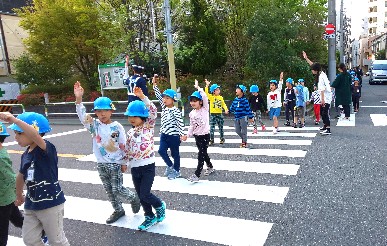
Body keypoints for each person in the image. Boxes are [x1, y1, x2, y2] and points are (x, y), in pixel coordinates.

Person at [74, 81, 141, 224]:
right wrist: (79, 99)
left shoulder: (117, 127)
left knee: (117, 189)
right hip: (101, 164)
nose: (102, 114)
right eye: (98, 111)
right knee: (109, 191)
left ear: (111, 111)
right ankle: (118, 210)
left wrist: (125, 162)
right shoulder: (94, 126)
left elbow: (124, 145)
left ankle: (133, 197)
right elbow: (82, 116)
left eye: (105, 110)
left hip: (115, 163)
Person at [0, 112, 70, 245]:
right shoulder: (26, 154)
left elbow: (34, 135)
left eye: (19, 133)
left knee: (57, 240)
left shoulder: (46, 149)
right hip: (31, 204)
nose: (16, 138)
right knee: (29, 239)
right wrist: (19, 194)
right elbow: (20, 176)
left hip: (51, 204)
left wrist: (14, 119)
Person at [124, 86, 166, 231]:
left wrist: (142, 96)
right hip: (135, 167)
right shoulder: (129, 132)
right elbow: (127, 149)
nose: (131, 119)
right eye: (129, 116)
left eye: (134, 116)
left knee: (145, 193)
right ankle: (149, 216)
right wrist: (125, 163)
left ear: (142, 117)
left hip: (148, 165)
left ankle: (159, 205)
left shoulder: (149, 125)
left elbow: (153, 110)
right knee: (141, 196)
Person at [182, 80, 214, 182]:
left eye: (195, 100)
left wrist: (198, 88)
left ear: (200, 102)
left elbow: (204, 96)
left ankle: (197, 175)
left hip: (205, 135)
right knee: (203, 153)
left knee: (201, 154)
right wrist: (187, 135)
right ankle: (210, 166)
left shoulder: (205, 109)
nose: (192, 103)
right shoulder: (191, 113)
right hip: (197, 136)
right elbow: (191, 126)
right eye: (191, 101)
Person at [153, 77, 184, 180]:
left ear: (173, 100)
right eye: (164, 98)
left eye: (167, 98)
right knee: (161, 151)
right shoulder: (164, 107)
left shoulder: (176, 110)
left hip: (174, 136)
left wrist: (182, 134)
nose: (164, 100)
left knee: (175, 154)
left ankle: (177, 171)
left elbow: (180, 122)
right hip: (164, 135)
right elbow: (158, 95)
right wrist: (155, 85)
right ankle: (170, 166)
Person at [0, 122, 24, 246]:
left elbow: (10, 178)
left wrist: (19, 193)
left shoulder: (1, 158)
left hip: (3, 199)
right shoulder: (1, 151)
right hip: (6, 196)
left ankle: (42, 233)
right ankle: (41, 233)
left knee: (2, 229)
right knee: (17, 219)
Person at [303, 51, 332, 135]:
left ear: (315, 70)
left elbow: (322, 89)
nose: (311, 71)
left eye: (312, 70)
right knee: (323, 112)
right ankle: (325, 126)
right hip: (324, 96)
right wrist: (306, 58)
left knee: (324, 113)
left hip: (325, 97)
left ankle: (328, 129)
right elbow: (313, 65)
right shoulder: (320, 72)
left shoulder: (321, 76)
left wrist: (322, 100)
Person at [204, 79, 229, 145]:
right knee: (212, 128)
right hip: (212, 114)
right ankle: (211, 140)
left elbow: (223, 104)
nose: (219, 90)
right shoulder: (211, 97)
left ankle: (222, 139)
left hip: (219, 114)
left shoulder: (221, 97)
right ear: (213, 91)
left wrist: (226, 109)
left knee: (221, 127)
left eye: (219, 89)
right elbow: (206, 93)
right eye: (217, 90)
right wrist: (207, 85)